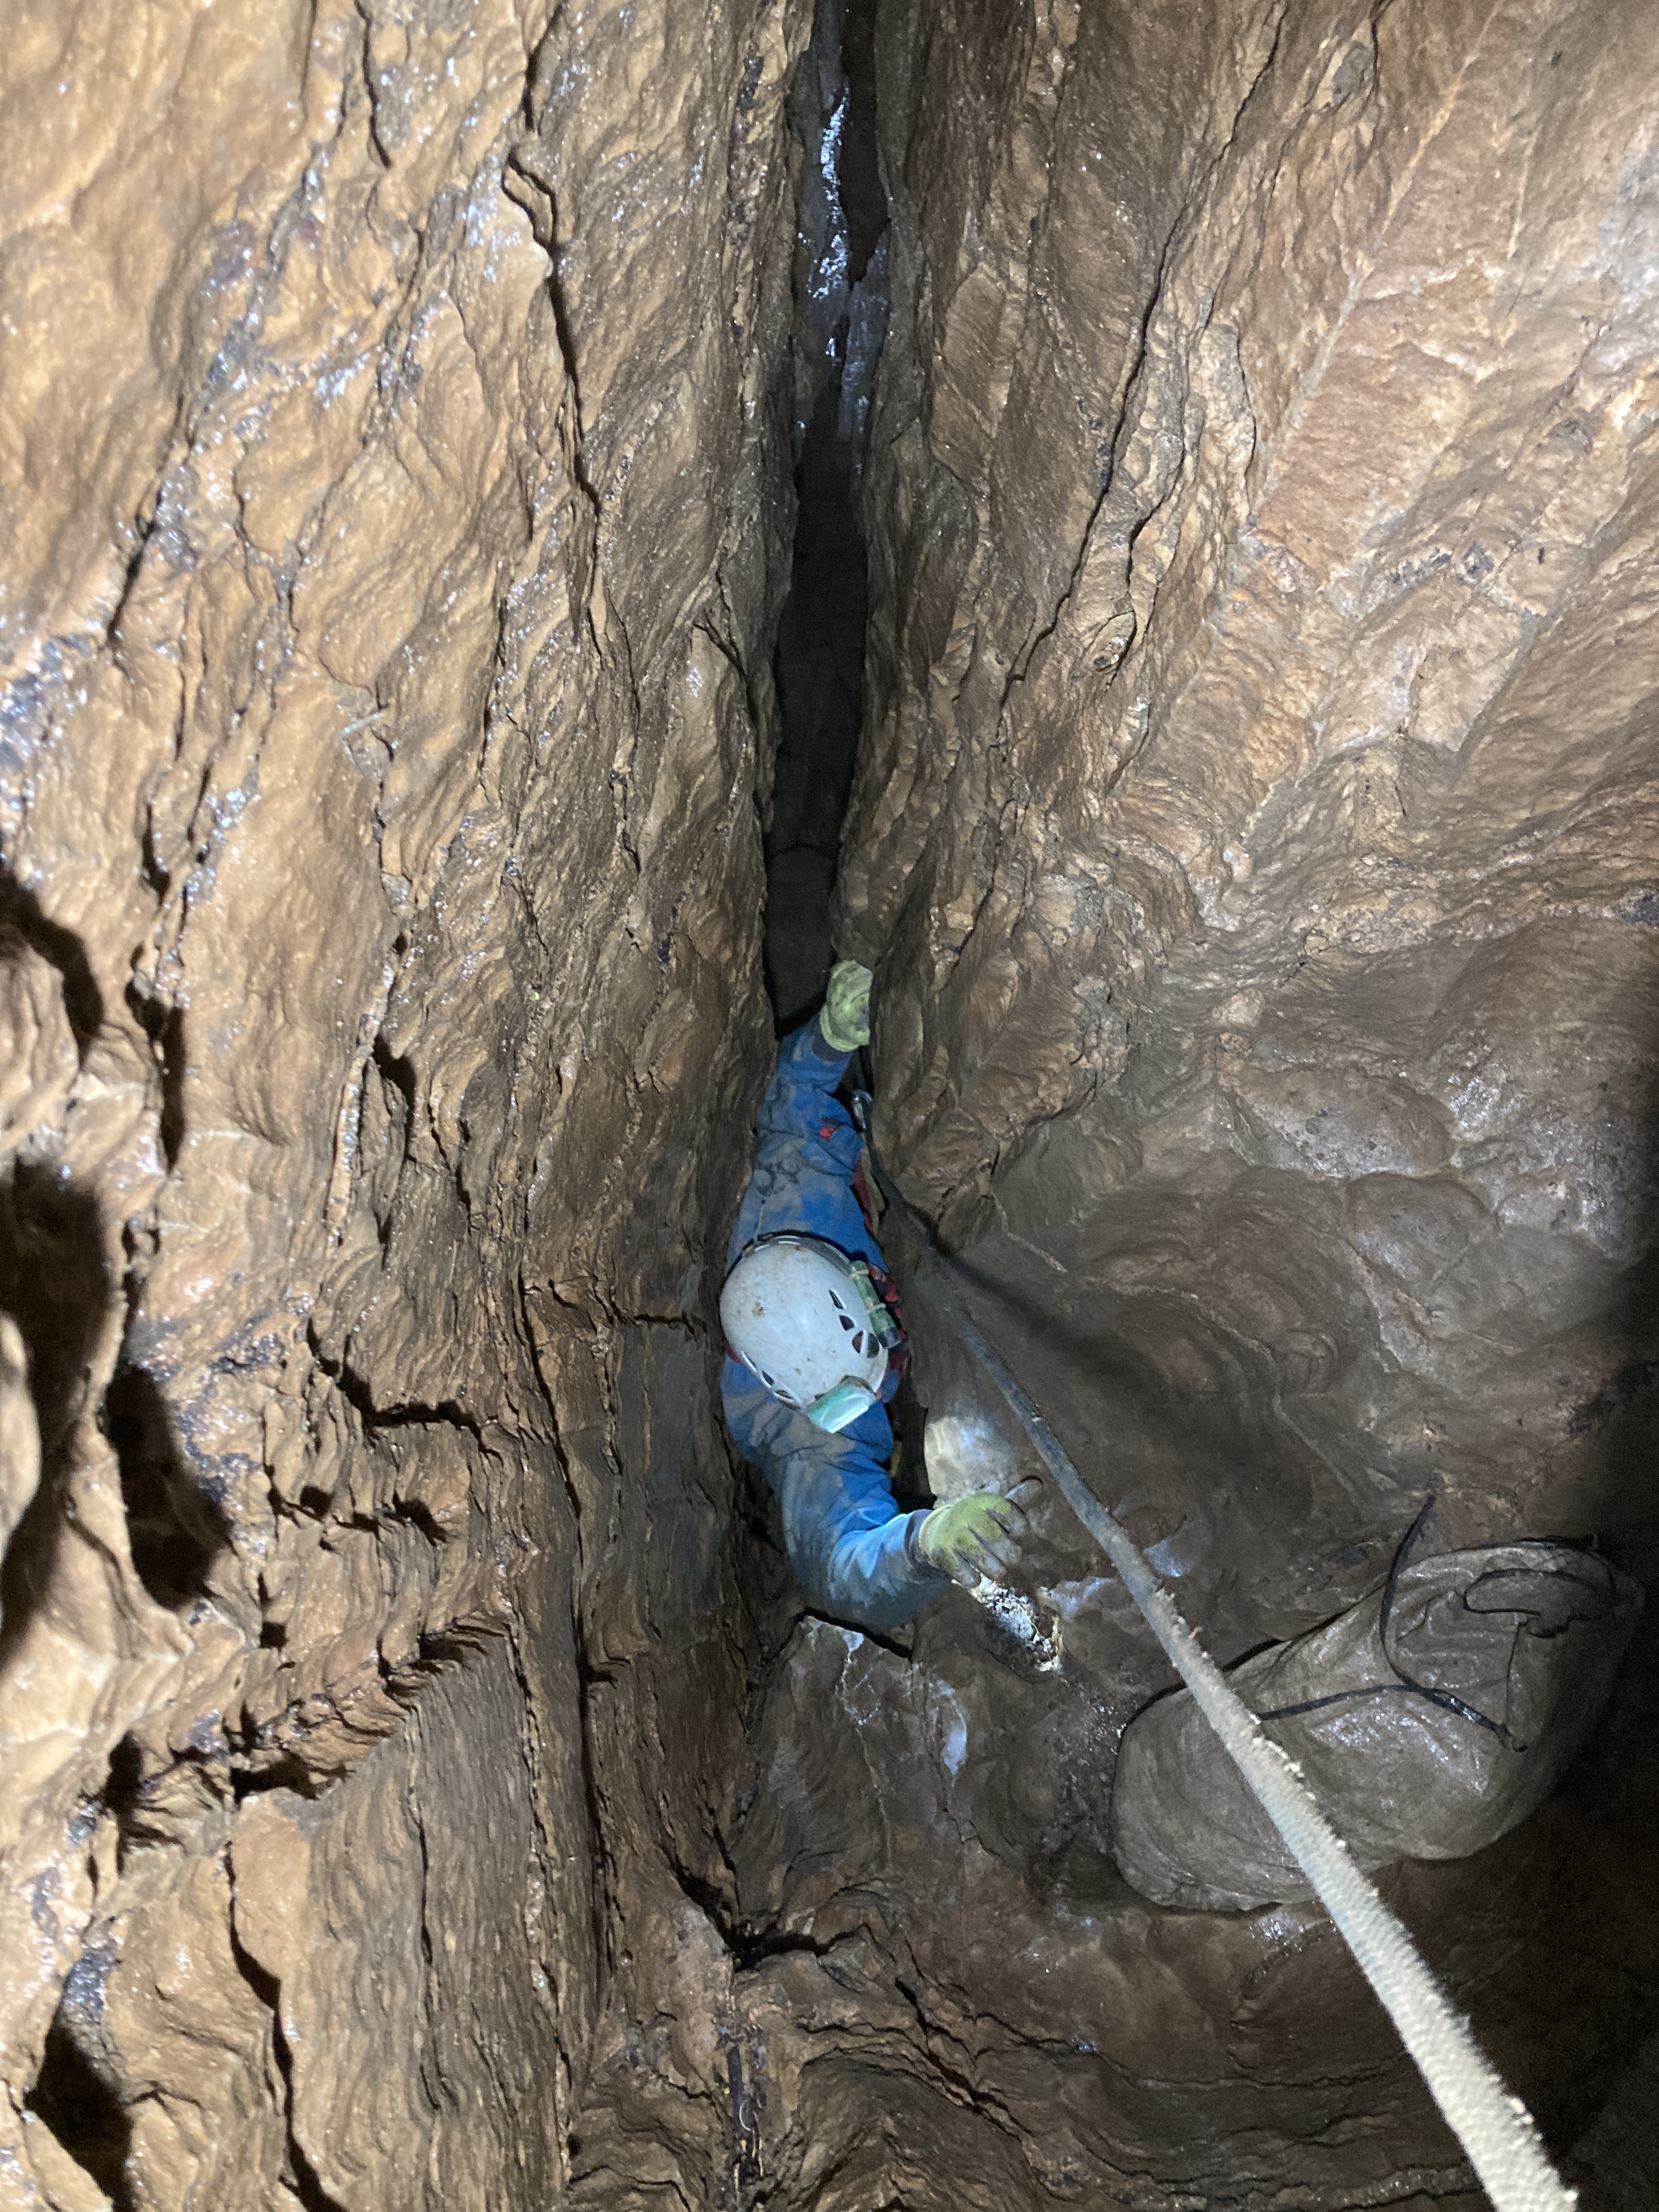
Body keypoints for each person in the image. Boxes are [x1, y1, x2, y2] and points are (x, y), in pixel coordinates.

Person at [720, 960, 1029, 1632]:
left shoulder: (799, 1195)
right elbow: (839, 1565)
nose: (854, 1393)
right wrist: (923, 1545)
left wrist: (828, 1038)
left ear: (861, 1287)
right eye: (845, 1394)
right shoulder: (806, 1431)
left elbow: (792, 1099)